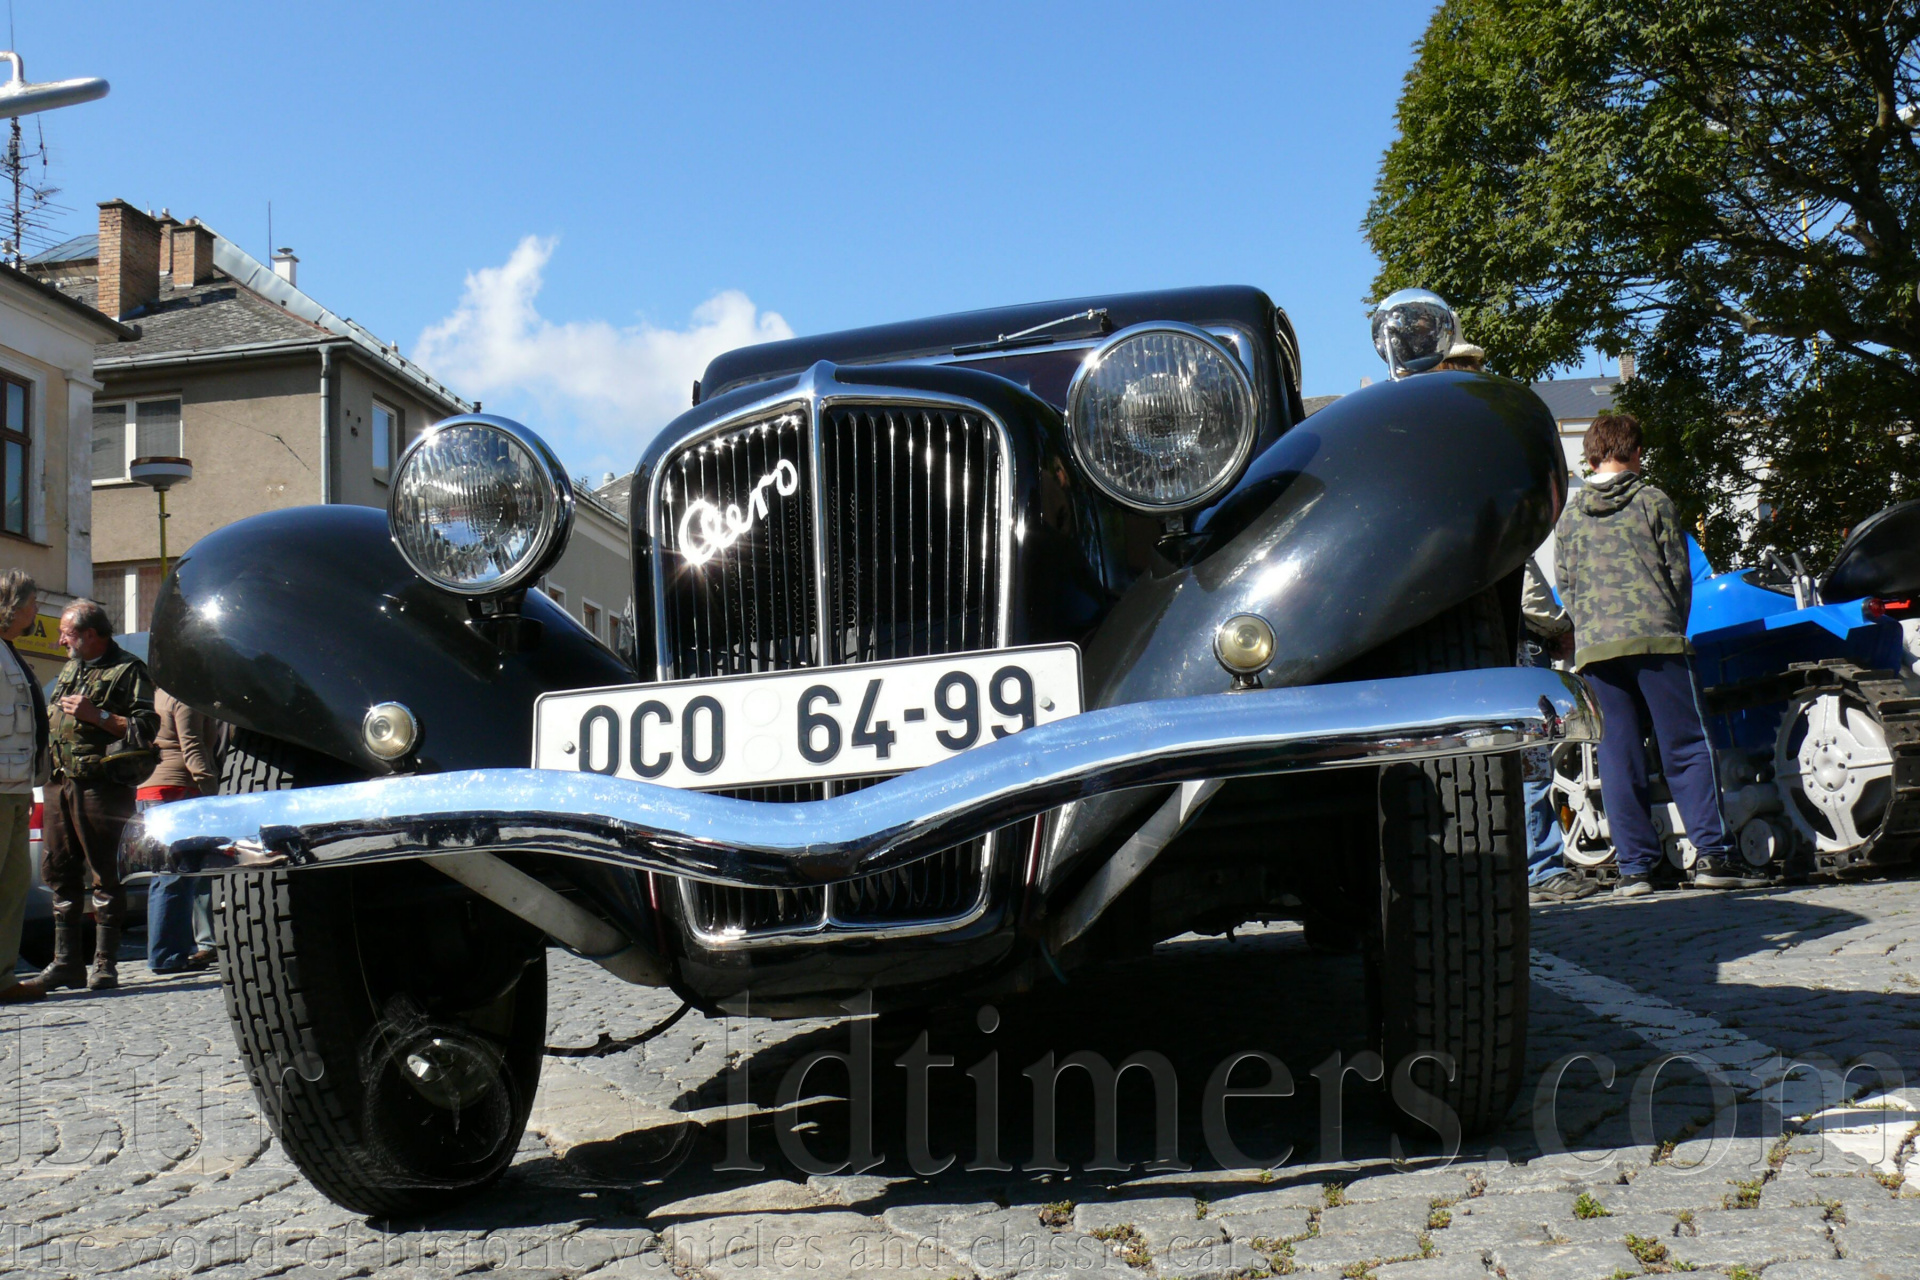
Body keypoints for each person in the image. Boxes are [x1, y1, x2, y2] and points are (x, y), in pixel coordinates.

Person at [1555, 414, 1758, 896]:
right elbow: (1678, 574)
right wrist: (1673, 625)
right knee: (1686, 746)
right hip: (1656, 640)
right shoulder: (1653, 501)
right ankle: (1714, 856)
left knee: (1618, 755)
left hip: (1596, 650)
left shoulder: (1569, 517)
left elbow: (1566, 586)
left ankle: (1635, 869)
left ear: (1591, 456)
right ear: (1636, 453)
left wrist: (1589, 631)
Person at [33, 600, 158, 991]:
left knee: (106, 873)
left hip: (101, 785)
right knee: (60, 872)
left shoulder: (128, 669)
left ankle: (105, 964)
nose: (61, 641)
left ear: (90, 634)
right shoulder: (72, 667)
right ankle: (66, 963)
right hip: (60, 782)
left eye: (67, 634)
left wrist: (97, 716)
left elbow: (146, 728)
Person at [1519, 556, 1598, 902]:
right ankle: (1541, 869)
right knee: (1532, 762)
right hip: (1521, 648)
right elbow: (1529, 594)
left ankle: (1527, 868)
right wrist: (1561, 627)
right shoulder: (1497, 529)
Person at [140, 688, 219, 972]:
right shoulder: (184, 695)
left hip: (151, 787)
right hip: (177, 789)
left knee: (164, 874)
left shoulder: (156, 693)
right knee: (177, 875)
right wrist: (212, 790)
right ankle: (168, 956)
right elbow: (192, 746)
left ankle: (165, 953)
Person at [0, 572, 49, 1002]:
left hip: (15, 788)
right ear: (10, 607)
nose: (36, 611)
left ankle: (3, 977)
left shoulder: (12, 652)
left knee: (13, 888)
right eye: (31, 603)